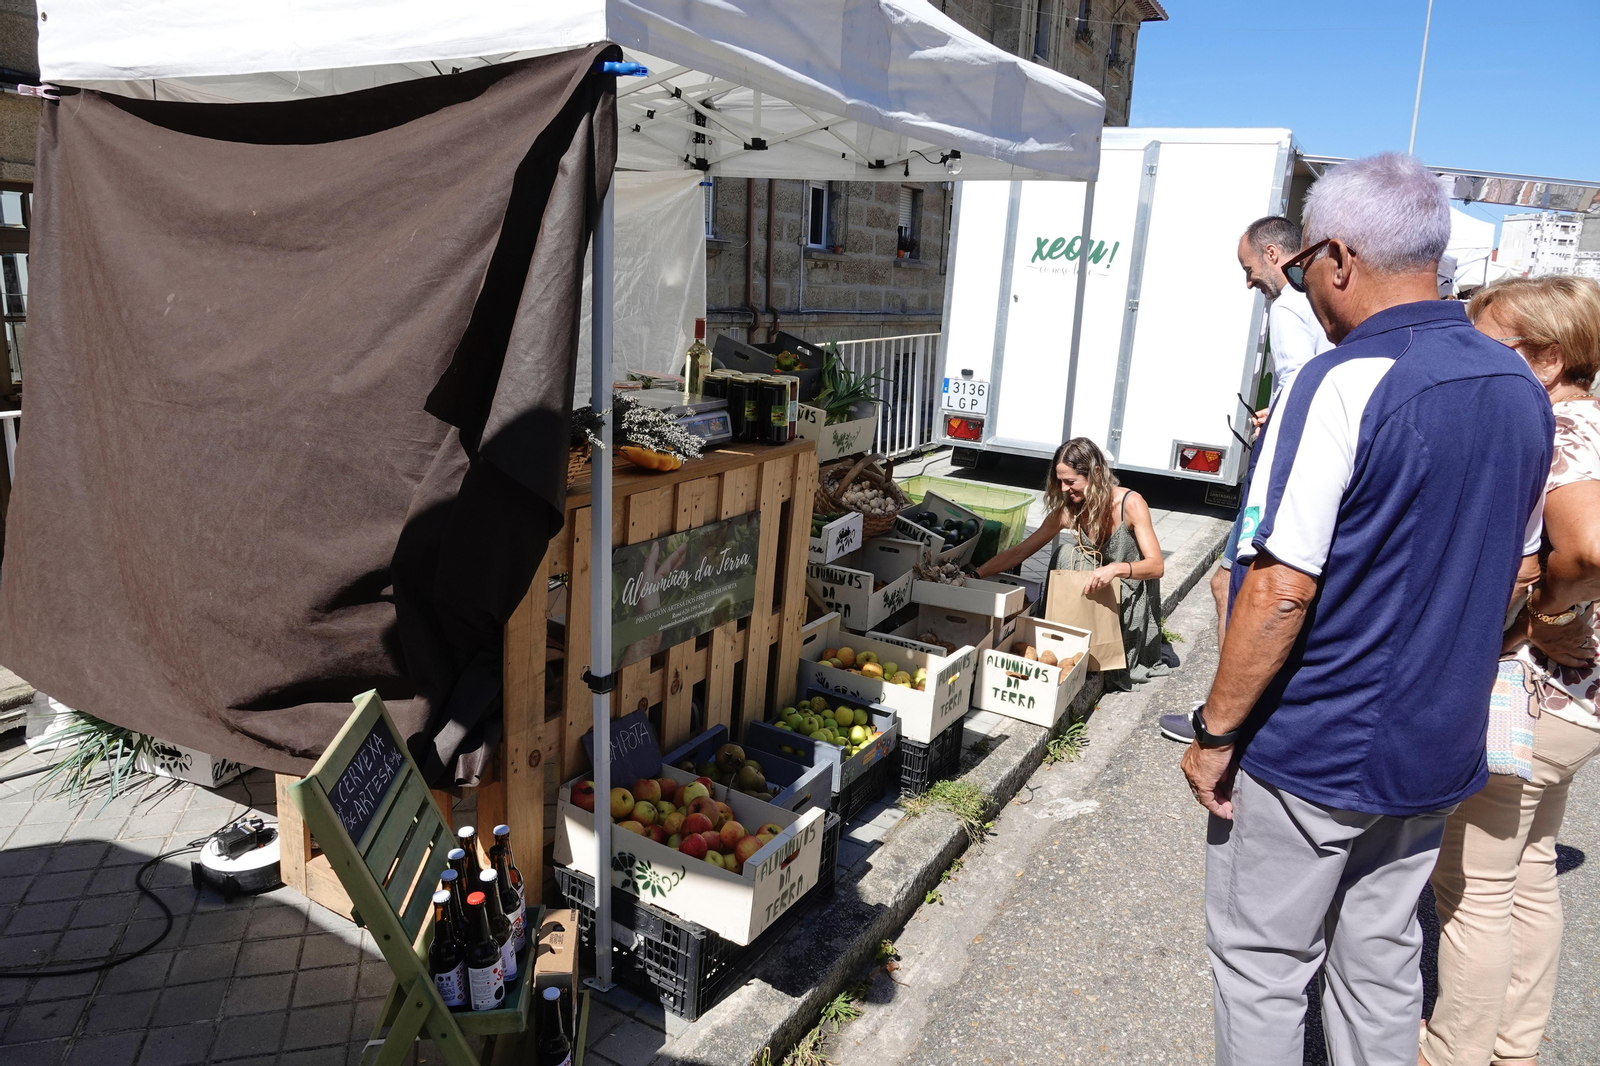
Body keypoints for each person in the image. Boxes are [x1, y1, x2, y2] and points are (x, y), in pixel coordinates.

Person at [1178, 153, 1553, 1064]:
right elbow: (1522, 574)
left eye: (1302, 265)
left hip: (1316, 744)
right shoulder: (1517, 389)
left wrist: (1217, 731)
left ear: (1338, 258)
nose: (1303, 284)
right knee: (1381, 963)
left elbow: (1279, 586)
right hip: (1437, 742)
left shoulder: (1344, 380)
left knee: (1263, 968)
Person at [1422, 275, 1600, 1066]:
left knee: (1474, 887)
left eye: (1491, 346)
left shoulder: (1558, 428)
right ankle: (1513, 1047)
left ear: (1550, 358)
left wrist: (1545, 617)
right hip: (1576, 703)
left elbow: (1590, 547)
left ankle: (1452, 1052)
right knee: (1530, 871)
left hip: (1530, 687)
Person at [1162, 216, 1333, 742]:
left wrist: (1274, 425)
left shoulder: (1285, 309)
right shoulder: (1318, 306)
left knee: (1231, 584)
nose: (1249, 281)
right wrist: (1275, 410)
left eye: (1249, 268)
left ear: (1273, 254)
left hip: (1283, 467)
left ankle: (1230, 714)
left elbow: (1297, 382)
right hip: (1306, 457)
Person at [973, 437, 1168, 690]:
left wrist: (1116, 568)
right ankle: (1058, 637)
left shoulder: (1130, 503)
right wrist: (976, 574)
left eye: (1070, 481)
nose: (1064, 489)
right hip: (1095, 589)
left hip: (1129, 591)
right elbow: (1019, 552)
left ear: (1096, 474)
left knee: (1069, 554)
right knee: (1065, 553)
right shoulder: (1071, 510)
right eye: (1060, 481)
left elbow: (1157, 566)